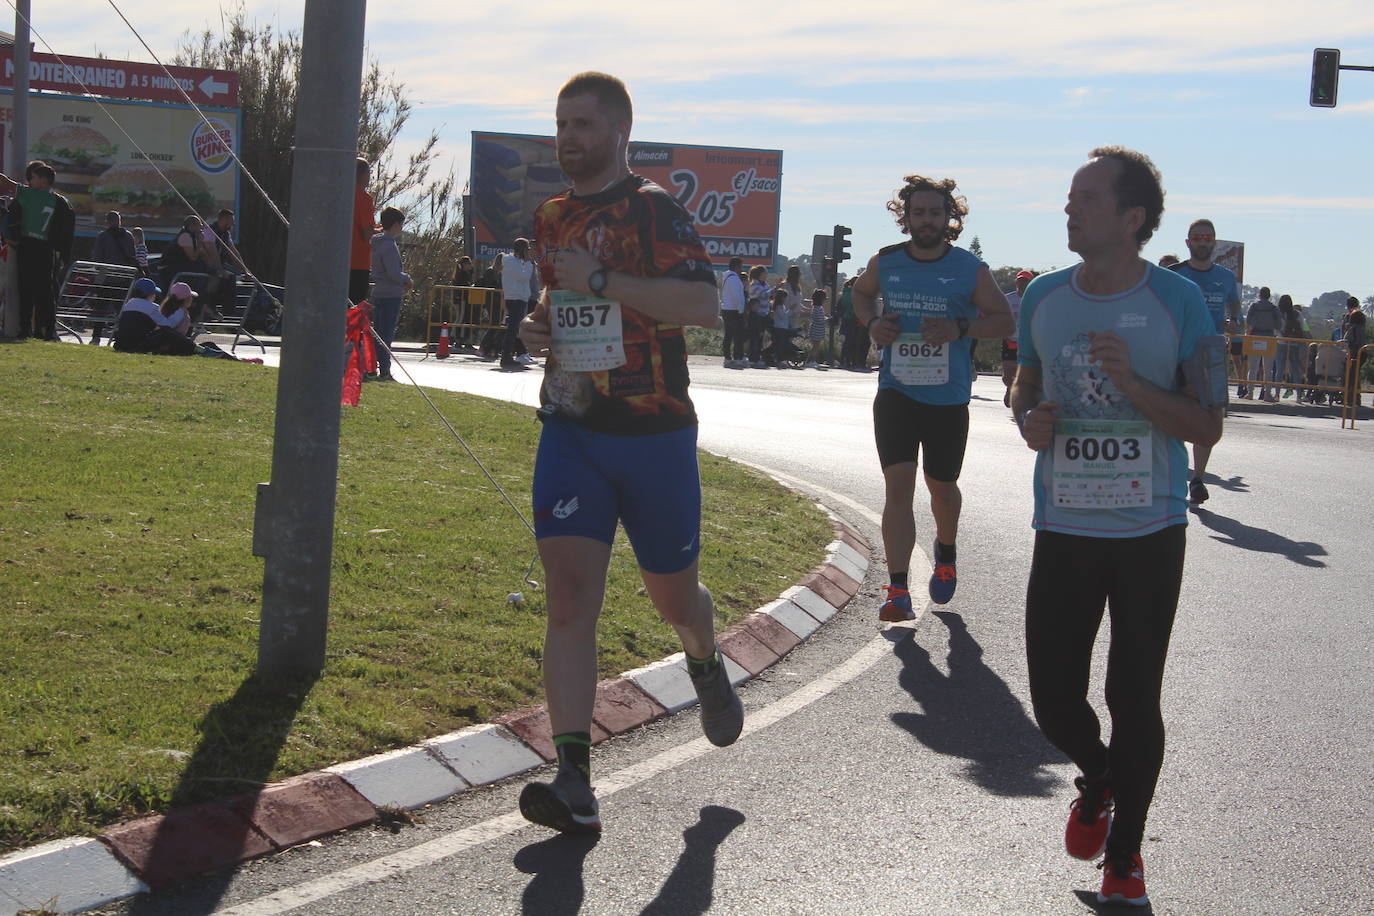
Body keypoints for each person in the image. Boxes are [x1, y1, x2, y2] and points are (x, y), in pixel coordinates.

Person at [516, 71, 742, 835]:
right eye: (560, 123)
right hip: (573, 429)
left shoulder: (656, 212)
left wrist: (605, 278)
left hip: (655, 435)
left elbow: (701, 307)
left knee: (675, 598)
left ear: (618, 131)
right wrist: (537, 329)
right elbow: (555, 300)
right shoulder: (550, 217)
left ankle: (704, 657)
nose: (568, 137)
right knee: (571, 598)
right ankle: (573, 775)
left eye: (582, 123)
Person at [1011, 146, 1223, 908]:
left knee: (1135, 695)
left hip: (1148, 530)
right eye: (1069, 196)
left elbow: (1209, 422)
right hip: (1065, 524)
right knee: (1054, 701)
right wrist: (1028, 418)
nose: (1071, 207)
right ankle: (1098, 776)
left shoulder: (1181, 304)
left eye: (1088, 197)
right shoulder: (1042, 298)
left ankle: (1126, 855)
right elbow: (1024, 384)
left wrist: (1133, 384)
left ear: (1133, 218)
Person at [850, 173, 1014, 615]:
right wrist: (871, 324)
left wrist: (960, 328)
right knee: (897, 487)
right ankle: (898, 589)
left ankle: (946, 550)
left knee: (942, 487)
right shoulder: (885, 263)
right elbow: (861, 295)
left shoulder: (968, 269)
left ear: (949, 218)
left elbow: (1004, 321)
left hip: (947, 398)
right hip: (896, 393)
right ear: (905, 217)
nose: (927, 220)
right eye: (918, 212)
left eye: (935, 212)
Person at [1169, 218, 1239, 505]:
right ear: (1187, 242)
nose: (1201, 241)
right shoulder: (1173, 274)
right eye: (1196, 237)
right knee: (1171, 414)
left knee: (1209, 417)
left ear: (1214, 242)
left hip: (1211, 352)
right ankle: (1172, 474)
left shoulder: (1225, 276)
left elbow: (1234, 305)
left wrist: (1235, 321)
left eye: (1207, 237)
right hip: (1175, 350)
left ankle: (1198, 477)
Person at [5, 160, 76, 339]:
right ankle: (47, 330)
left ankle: (24, 329)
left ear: (43, 180)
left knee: (25, 289)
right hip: (48, 250)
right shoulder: (61, 201)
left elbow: (5, 182)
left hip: (28, 245)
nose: (30, 180)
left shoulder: (30, 195)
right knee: (46, 291)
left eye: (34, 177)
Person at [370, 206, 413, 382]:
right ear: (395, 224)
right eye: (401, 224)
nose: (402, 228)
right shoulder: (389, 245)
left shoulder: (377, 242)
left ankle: (373, 365)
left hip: (379, 292)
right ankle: (385, 370)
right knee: (385, 334)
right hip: (390, 294)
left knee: (378, 332)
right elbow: (393, 273)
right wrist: (407, 279)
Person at [113, 277, 196, 355]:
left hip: (121, 343)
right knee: (167, 332)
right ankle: (194, 347)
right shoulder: (153, 308)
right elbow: (167, 326)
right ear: (151, 294)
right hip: (138, 344)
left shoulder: (128, 304)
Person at [500, 238, 536, 369]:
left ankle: (509, 353)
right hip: (515, 298)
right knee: (513, 329)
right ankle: (506, 355)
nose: (529, 252)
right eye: (527, 249)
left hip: (518, 298)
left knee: (515, 329)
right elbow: (525, 277)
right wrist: (528, 263)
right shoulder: (512, 262)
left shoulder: (515, 262)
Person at [1002, 269, 1035, 406]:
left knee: (1026, 373)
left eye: (1025, 281)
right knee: (1008, 374)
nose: (1022, 284)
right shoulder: (1008, 298)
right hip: (1010, 340)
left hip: (1028, 342)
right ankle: (1010, 388)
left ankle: (1021, 397)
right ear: (1016, 281)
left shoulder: (1035, 298)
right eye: (1020, 280)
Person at [1244, 287, 1281, 401]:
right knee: (1268, 368)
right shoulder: (1273, 308)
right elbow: (1279, 323)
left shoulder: (1254, 306)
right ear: (1269, 295)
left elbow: (1248, 320)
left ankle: (1250, 393)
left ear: (1259, 295)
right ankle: (1267, 394)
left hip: (1255, 336)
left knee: (1253, 367)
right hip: (1269, 338)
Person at [350, 158, 375, 305]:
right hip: (359, 262)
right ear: (362, 174)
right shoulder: (364, 199)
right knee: (354, 308)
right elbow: (367, 234)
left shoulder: (342, 194)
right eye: (369, 173)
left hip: (341, 259)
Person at [1275, 294, 1307, 399]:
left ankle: (1277, 394)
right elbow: (1302, 328)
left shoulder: (1279, 314)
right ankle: (1298, 394)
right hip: (1294, 343)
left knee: (1279, 370)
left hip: (1281, 342)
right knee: (1295, 370)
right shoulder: (1297, 314)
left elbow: (1277, 329)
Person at [720, 256, 747, 368]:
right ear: (736, 266)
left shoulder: (726, 277)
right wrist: (741, 310)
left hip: (726, 309)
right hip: (734, 310)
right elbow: (737, 296)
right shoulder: (735, 279)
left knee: (729, 334)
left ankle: (727, 357)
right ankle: (738, 358)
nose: (741, 268)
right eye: (741, 266)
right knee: (738, 335)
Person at [1343, 296, 1367, 408]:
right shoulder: (1361, 320)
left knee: (1351, 375)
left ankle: (1351, 398)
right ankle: (1355, 398)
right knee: (1355, 375)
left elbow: (1348, 339)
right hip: (1362, 352)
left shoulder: (1352, 322)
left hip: (1354, 352)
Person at [745, 265, 770, 368]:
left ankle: (757, 357)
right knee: (755, 337)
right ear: (760, 274)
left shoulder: (765, 284)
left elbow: (768, 294)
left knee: (760, 337)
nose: (766, 275)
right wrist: (774, 289)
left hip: (764, 313)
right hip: (756, 314)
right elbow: (763, 294)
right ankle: (752, 358)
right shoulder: (754, 284)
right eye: (765, 273)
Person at [805, 286, 828, 368]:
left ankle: (808, 361)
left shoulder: (817, 308)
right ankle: (811, 361)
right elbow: (821, 320)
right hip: (817, 330)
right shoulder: (818, 308)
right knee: (815, 346)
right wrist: (828, 319)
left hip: (817, 329)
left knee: (815, 346)